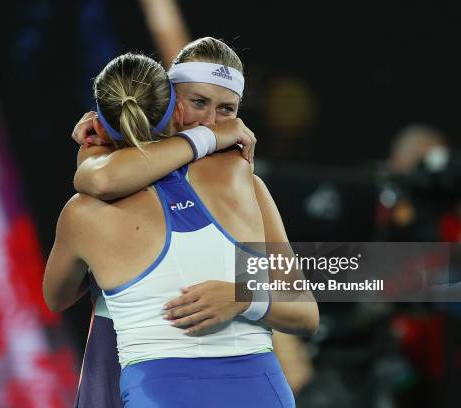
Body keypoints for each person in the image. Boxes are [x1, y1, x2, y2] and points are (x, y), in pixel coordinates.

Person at [44, 49, 318, 407]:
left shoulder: (246, 184)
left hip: (181, 379)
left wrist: (243, 296)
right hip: (142, 373)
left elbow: (304, 308)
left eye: (227, 111)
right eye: (198, 102)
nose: (209, 122)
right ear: (168, 102)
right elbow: (105, 178)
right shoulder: (102, 183)